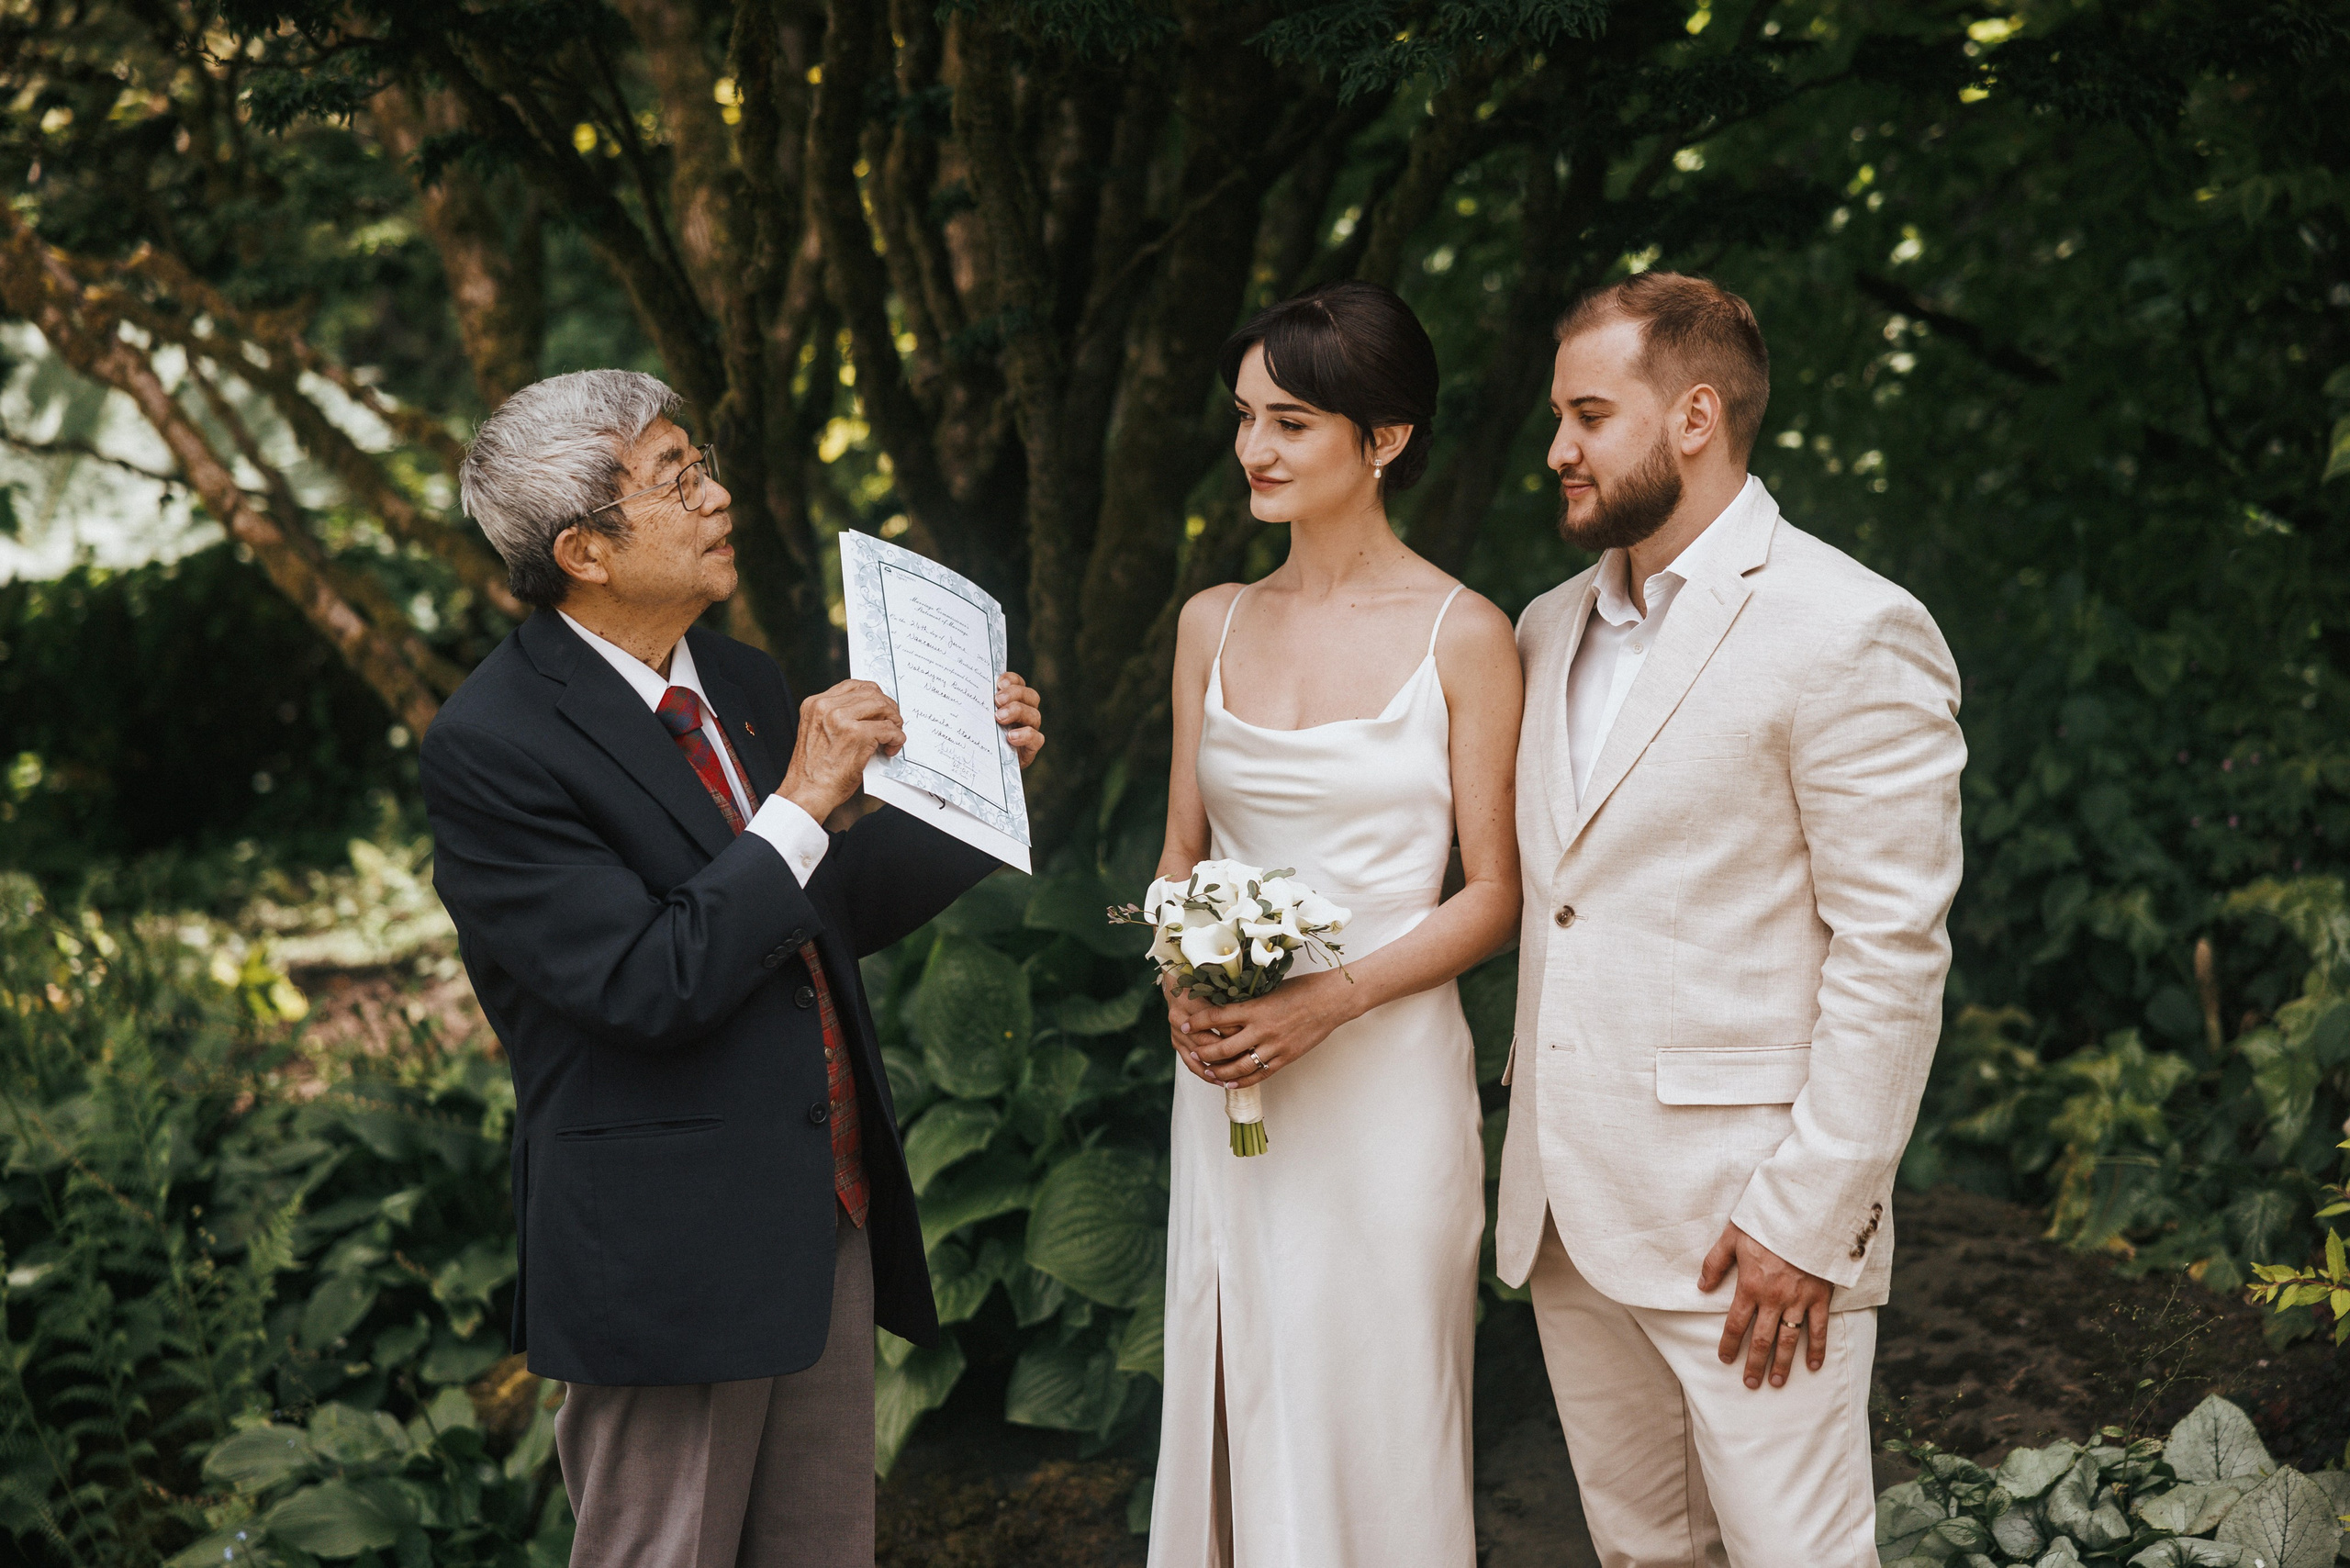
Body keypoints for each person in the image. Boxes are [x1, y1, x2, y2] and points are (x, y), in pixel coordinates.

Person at [420, 370, 1045, 1568]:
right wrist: (810, 793)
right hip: (664, 1259)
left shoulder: (745, 681)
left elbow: (818, 911)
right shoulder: (493, 746)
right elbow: (649, 980)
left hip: (826, 1212)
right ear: (586, 552)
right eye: (676, 477)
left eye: (699, 464)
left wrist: (978, 788)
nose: (715, 495)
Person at [1494, 272, 1964, 1566]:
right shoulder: (1544, 629)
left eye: (1589, 414)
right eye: (1557, 415)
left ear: (1694, 416)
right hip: (1568, 1219)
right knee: (1645, 1556)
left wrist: (1809, 1219)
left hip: (1750, 1234)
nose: (1558, 449)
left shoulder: (1849, 627)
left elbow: (1893, 952)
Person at [1144, 282, 1524, 1568]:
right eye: (1247, 417)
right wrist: (1181, 986)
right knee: (1244, 1369)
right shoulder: (1212, 621)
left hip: (1385, 1090)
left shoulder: (1464, 634)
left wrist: (1330, 998)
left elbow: (1495, 892)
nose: (1254, 448)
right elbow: (1183, 854)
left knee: (1378, 1393)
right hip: (1233, 1087)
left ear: (1386, 440)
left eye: (1292, 421)